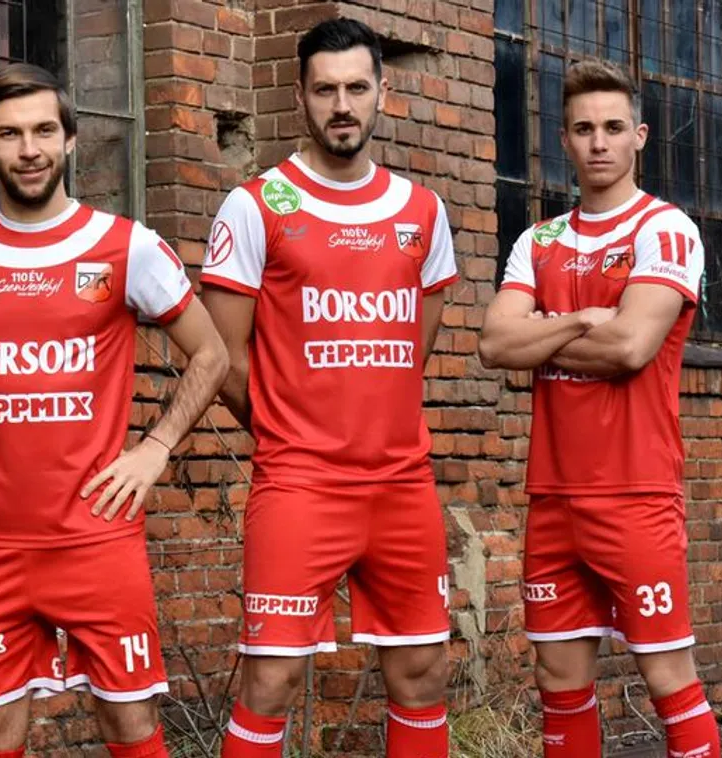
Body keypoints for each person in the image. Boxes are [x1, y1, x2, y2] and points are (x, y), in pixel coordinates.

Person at [0, 63, 228, 758]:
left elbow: (211, 354)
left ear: (70, 139)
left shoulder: (126, 245)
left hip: (98, 540)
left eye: (44, 131)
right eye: (10, 135)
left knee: (129, 724)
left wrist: (155, 448)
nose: (30, 150)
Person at [199, 18, 459, 758]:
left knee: (422, 674)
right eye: (325, 90)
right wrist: (288, 430)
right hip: (300, 484)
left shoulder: (422, 211)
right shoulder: (257, 205)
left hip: (401, 484)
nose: (342, 106)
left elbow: (412, 348)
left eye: (356, 88)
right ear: (300, 96)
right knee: (271, 680)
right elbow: (224, 356)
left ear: (383, 91)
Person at [478, 58, 721, 758]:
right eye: (583, 129)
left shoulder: (664, 229)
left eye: (613, 128)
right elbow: (494, 343)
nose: (598, 142)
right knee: (558, 681)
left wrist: (544, 333)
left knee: (668, 678)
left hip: (636, 492)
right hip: (553, 497)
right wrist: (584, 318)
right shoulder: (538, 242)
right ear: (564, 139)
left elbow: (630, 347)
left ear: (639, 136)